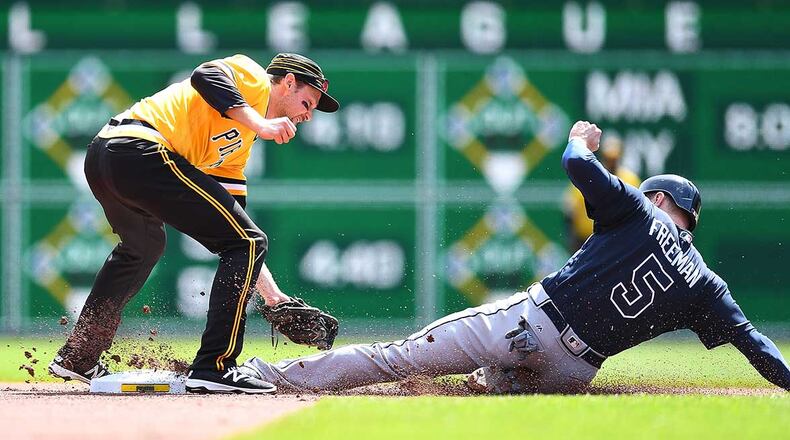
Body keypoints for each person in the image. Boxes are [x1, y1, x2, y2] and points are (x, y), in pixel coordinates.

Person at [237, 121, 790, 394]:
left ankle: (266, 376)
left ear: (661, 200)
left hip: (531, 325)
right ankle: (491, 379)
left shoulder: (641, 211)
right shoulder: (707, 285)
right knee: (478, 385)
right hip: (573, 372)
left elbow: (576, 163)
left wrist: (580, 138)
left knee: (396, 359)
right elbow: (756, 345)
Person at [49, 53, 340, 394]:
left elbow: (238, 235)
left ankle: (79, 356)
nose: (308, 115)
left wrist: (273, 297)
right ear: (288, 83)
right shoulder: (254, 78)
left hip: (107, 155)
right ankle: (215, 367)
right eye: (307, 102)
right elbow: (205, 75)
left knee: (144, 248)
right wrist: (260, 124)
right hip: (138, 149)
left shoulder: (238, 148)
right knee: (246, 242)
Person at [562, 134, 640, 251]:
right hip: (586, 240)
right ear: (603, 157)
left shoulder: (630, 179)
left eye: (614, 159)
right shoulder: (590, 175)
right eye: (609, 159)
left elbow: (639, 210)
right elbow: (570, 208)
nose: (611, 163)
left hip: (618, 240)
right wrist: (571, 235)